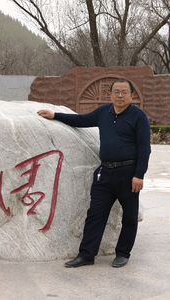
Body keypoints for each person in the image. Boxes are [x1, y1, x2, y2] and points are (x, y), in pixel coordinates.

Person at [37, 78, 151, 268]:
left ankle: (123, 253)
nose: (120, 95)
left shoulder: (139, 117)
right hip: (105, 173)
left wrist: (139, 175)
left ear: (132, 95)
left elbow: (144, 148)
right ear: (110, 94)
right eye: (116, 92)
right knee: (95, 215)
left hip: (128, 173)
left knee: (129, 216)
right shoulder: (103, 112)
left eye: (124, 92)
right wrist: (55, 115)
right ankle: (87, 255)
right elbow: (81, 120)